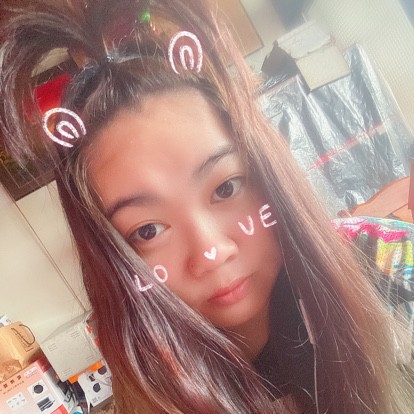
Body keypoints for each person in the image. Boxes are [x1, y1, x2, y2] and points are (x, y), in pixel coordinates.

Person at [0, 1, 413, 413]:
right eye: (147, 231)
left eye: (226, 188)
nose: (211, 252)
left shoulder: (385, 261)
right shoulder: (154, 392)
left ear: (266, 169)